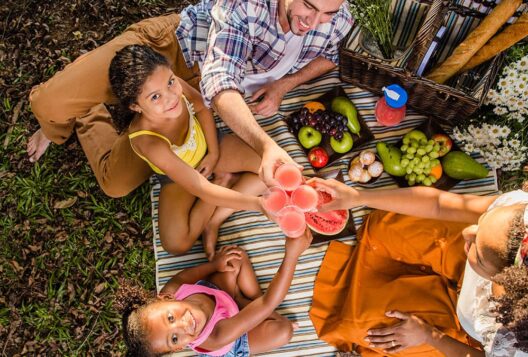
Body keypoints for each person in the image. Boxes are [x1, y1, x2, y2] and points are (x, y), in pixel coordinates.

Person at [27, 0, 353, 197]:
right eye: (309, 5)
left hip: (190, 101)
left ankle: (89, 108)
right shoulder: (245, 5)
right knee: (48, 106)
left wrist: (285, 84)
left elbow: (332, 52)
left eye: (326, 12)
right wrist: (266, 146)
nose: (312, 21)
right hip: (169, 53)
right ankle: (59, 123)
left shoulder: (338, 16)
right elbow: (219, 77)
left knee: (116, 184)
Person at [307, 178, 528, 356]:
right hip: (463, 261)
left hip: (459, 325)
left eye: (479, 255)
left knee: (357, 325)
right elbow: (438, 204)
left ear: (505, 282)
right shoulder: (518, 212)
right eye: (482, 223)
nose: (466, 231)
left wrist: (427, 334)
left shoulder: (509, 340)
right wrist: (358, 197)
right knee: (381, 225)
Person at [108, 44, 266, 256]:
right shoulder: (148, 141)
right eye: (155, 97)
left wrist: (214, 153)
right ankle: (223, 181)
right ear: (135, 106)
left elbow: (201, 106)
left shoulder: (171, 85)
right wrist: (259, 205)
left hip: (209, 145)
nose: (171, 97)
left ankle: (215, 220)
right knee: (176, 244)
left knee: (268, 169)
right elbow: (198, 187)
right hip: (178, 179)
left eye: (171, 82)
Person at [114, 230, 313, 356]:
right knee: (283, 330)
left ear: (166, 298)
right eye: (174, 338)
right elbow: (269, 303)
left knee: (234, 257)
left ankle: (246, 302)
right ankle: (248, 305)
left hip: (217, 294)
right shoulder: (215, 337)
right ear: (179, 348)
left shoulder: (172, 289)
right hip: (235, 338)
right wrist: (292, 254)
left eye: (170, 317)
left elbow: (186, 277)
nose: (183, 326)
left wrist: (214, 265)